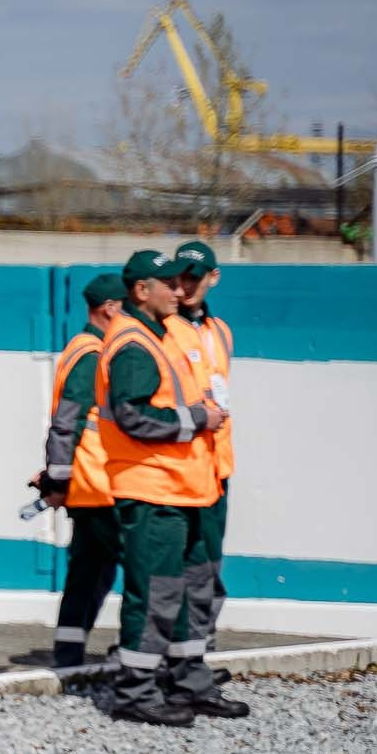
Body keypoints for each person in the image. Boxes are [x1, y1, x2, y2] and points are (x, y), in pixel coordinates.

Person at [95, 250, 247, 726]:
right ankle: (135, 691)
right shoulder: (136, 343)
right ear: (143, 291)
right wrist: (198, 418)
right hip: (154, 487)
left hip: (186, 485)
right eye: (169, 284)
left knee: (189, 590)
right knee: (156, 593)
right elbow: (134, 415)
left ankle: (189, 681)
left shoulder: (163, 335)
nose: (179, 290)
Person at [33, 274, 126, 668]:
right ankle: (138, 651)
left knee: (89, 572)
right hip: (100, 484)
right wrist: (57, 479)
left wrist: (59, 479)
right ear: (110, 308)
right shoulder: (94, 355)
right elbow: (69, 422)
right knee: (140, 568)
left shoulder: (83, 349)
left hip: (88, 485)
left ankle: (69, 652)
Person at [168, 239, 234, 666]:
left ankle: (199, 653)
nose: (186, 284)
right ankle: (176, 658)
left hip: (217, 466)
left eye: (195, 276)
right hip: (178, 468)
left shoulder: (221, 332)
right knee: (176, 569)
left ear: (214, 277)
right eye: (180, 276)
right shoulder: (165, 328)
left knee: (209, 565)